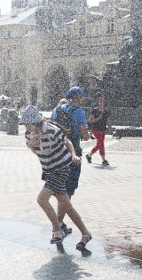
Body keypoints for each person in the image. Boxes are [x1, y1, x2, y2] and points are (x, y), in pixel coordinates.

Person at [20, 105, 93, 250]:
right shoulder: (28, 135)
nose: (26, 127)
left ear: (36, 122)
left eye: (29, 124)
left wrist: (73, 155)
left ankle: (57, 230)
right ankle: (86, 233)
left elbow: (68, 142)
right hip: (49, 171)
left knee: (42, 199)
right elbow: (38, 151)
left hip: (62, 169)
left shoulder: (51, 130)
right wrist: (31, 146)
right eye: (25, 124)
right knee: (67, 206)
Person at [52, 87, 90, 236]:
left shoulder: (57, 110)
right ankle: (58, 225)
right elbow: (85, 136)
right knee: (68, 192)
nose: (82, 100)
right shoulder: (79, 112)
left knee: (61, 191)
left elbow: (52, 129)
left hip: (58, 154)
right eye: (81, 98)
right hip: (73, 155)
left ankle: (59, 224)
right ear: (78, 98)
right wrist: (87, 135)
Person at [86, 95, 113, 166]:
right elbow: (90, 120)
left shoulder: (106, 111)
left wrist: (111, 129)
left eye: (103, 101)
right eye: (100, 101)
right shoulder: (95, 110)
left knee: (100, 144)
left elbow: (107, 120)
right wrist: (98, 118)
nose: (102, 102)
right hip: (95, 129)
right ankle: (104, 160)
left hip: (103, 129)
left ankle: (89, 155)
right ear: (98, 102)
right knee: (101, 144)